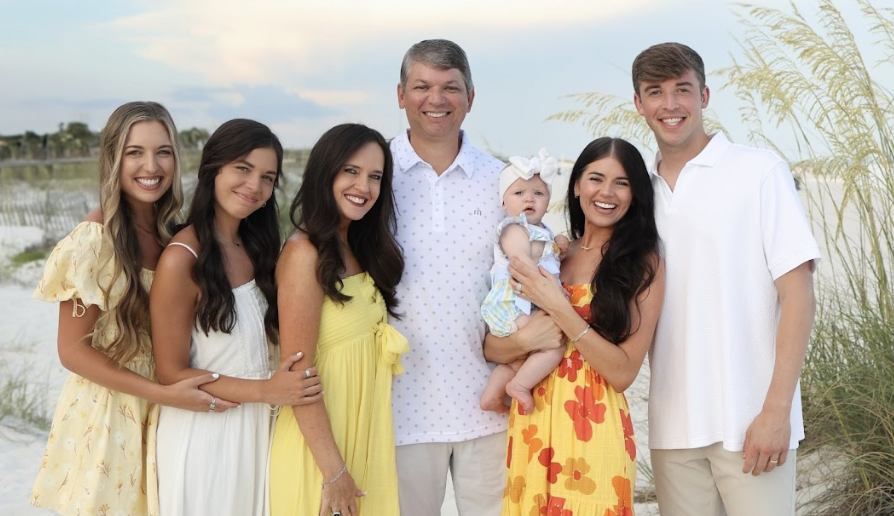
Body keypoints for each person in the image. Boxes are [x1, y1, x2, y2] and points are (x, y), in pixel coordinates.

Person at [631, 42, 820, 516]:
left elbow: (798, 295)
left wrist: (776, 410)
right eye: (655, 92)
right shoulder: (637, 192)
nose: (670, 105)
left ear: (705, 95)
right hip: (673, 428)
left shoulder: (759, 171)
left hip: (753, 423)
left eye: (683, 90)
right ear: (638, 103)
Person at [29, 101, 235, 516]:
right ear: (113, 158)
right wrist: (162, 393)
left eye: (163, 151)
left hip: (165, 407)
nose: (151, 165)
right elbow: (72, 351)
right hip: (110, 413)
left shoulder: (173, 233)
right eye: (134, 152)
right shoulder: (95, 237)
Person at [390, 38, 564, 516]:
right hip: (399, 409)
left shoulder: (503, 181)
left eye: (451, 87)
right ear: (401, 94)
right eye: (422, 86)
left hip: (493, 405)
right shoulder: (374, 176)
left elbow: (542, 257)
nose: (437, 98)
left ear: (471, 97)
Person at [151, 119, 323, 515]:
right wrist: (266, 391)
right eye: (242, 169)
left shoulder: (259, 247)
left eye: (267, 177)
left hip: (259, 431)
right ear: (213, 168)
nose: (254, 186)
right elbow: (170, 372)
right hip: (208, 435)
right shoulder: (182, 258)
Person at [486, 137, 665, 515]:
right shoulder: (550, 255)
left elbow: (622, 373)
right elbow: (492, 345)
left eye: (622, 182)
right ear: (577, 186)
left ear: (636, 193)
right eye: (596, 178)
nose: (606, 192)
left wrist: (557, 306)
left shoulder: (642, 262)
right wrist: (524, 339)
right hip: (533, 418)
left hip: (593, 425)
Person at [268, 123, 407, 516]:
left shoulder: (357, 247)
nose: (363, 186)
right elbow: (298, 375)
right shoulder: (303, 253)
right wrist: (334, 473)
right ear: (324, 172)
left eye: (375, 176)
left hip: (363, 439)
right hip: (322, 457)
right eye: (351, 171)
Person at [479, 148, 567, 415]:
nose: (529, 198)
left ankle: (492, 396)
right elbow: (522, 263)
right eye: (519, 193)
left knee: (519, 359)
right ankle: (518, 386)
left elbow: (546, 255)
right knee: (554, 345)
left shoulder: (543, 232)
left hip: (524, 303)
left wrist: (559, 246)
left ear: (548, 201)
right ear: (504, 203)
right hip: (513, 303)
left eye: (538, 194)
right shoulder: (514, 228)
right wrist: (554, 297)